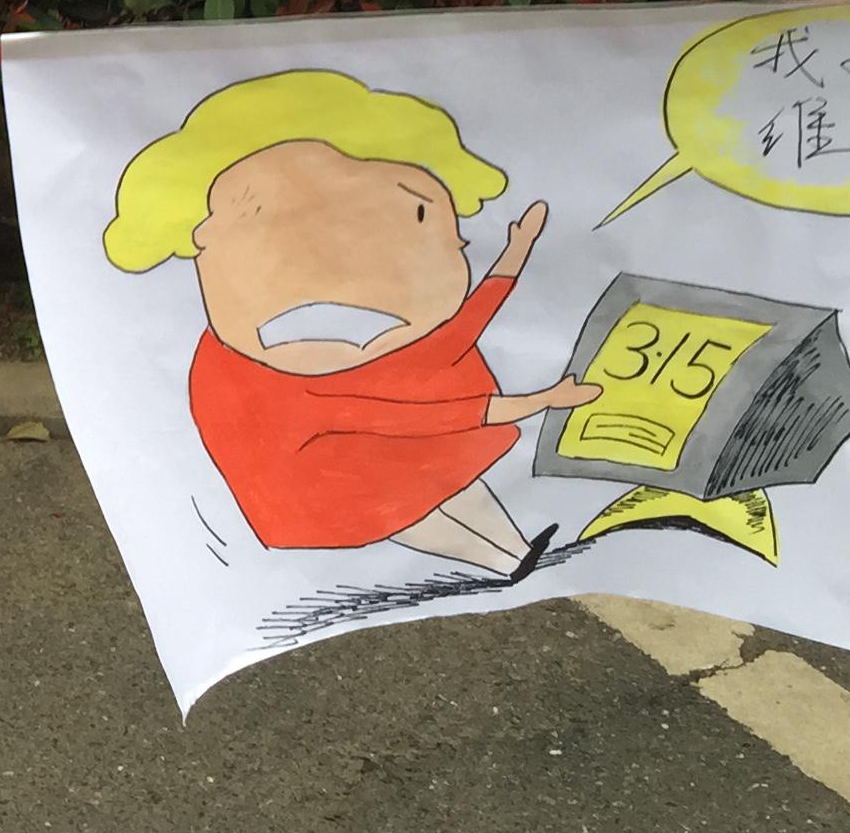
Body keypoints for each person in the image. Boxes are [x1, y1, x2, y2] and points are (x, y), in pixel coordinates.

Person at [102, 70, 599, 579]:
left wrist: (515, 251)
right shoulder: (267, 377)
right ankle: (502, 559)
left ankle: (517, 552)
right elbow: (412, 419)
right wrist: (538, 401)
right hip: (313, 484)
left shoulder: (370, 338)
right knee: (399, 493)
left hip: (365, 440)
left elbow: (457, 333)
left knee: (437, 467)